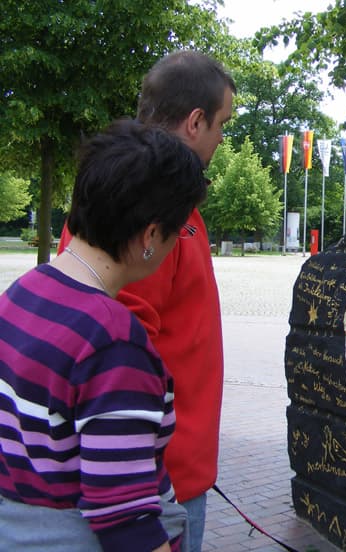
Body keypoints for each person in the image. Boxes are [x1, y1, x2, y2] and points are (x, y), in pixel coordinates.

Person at [0, 120, 208, 551]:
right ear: (151, 235)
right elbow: (124, 520)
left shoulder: (24, 291)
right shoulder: (112, 342)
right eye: (177, 231)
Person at [58, 50, 235, 552]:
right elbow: (115, 358)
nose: (223, 138)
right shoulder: (140, 211)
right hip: (152, 487)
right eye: (221, 123)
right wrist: (147, 490)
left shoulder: (161, 199)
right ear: (196, 121)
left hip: (172, 474)